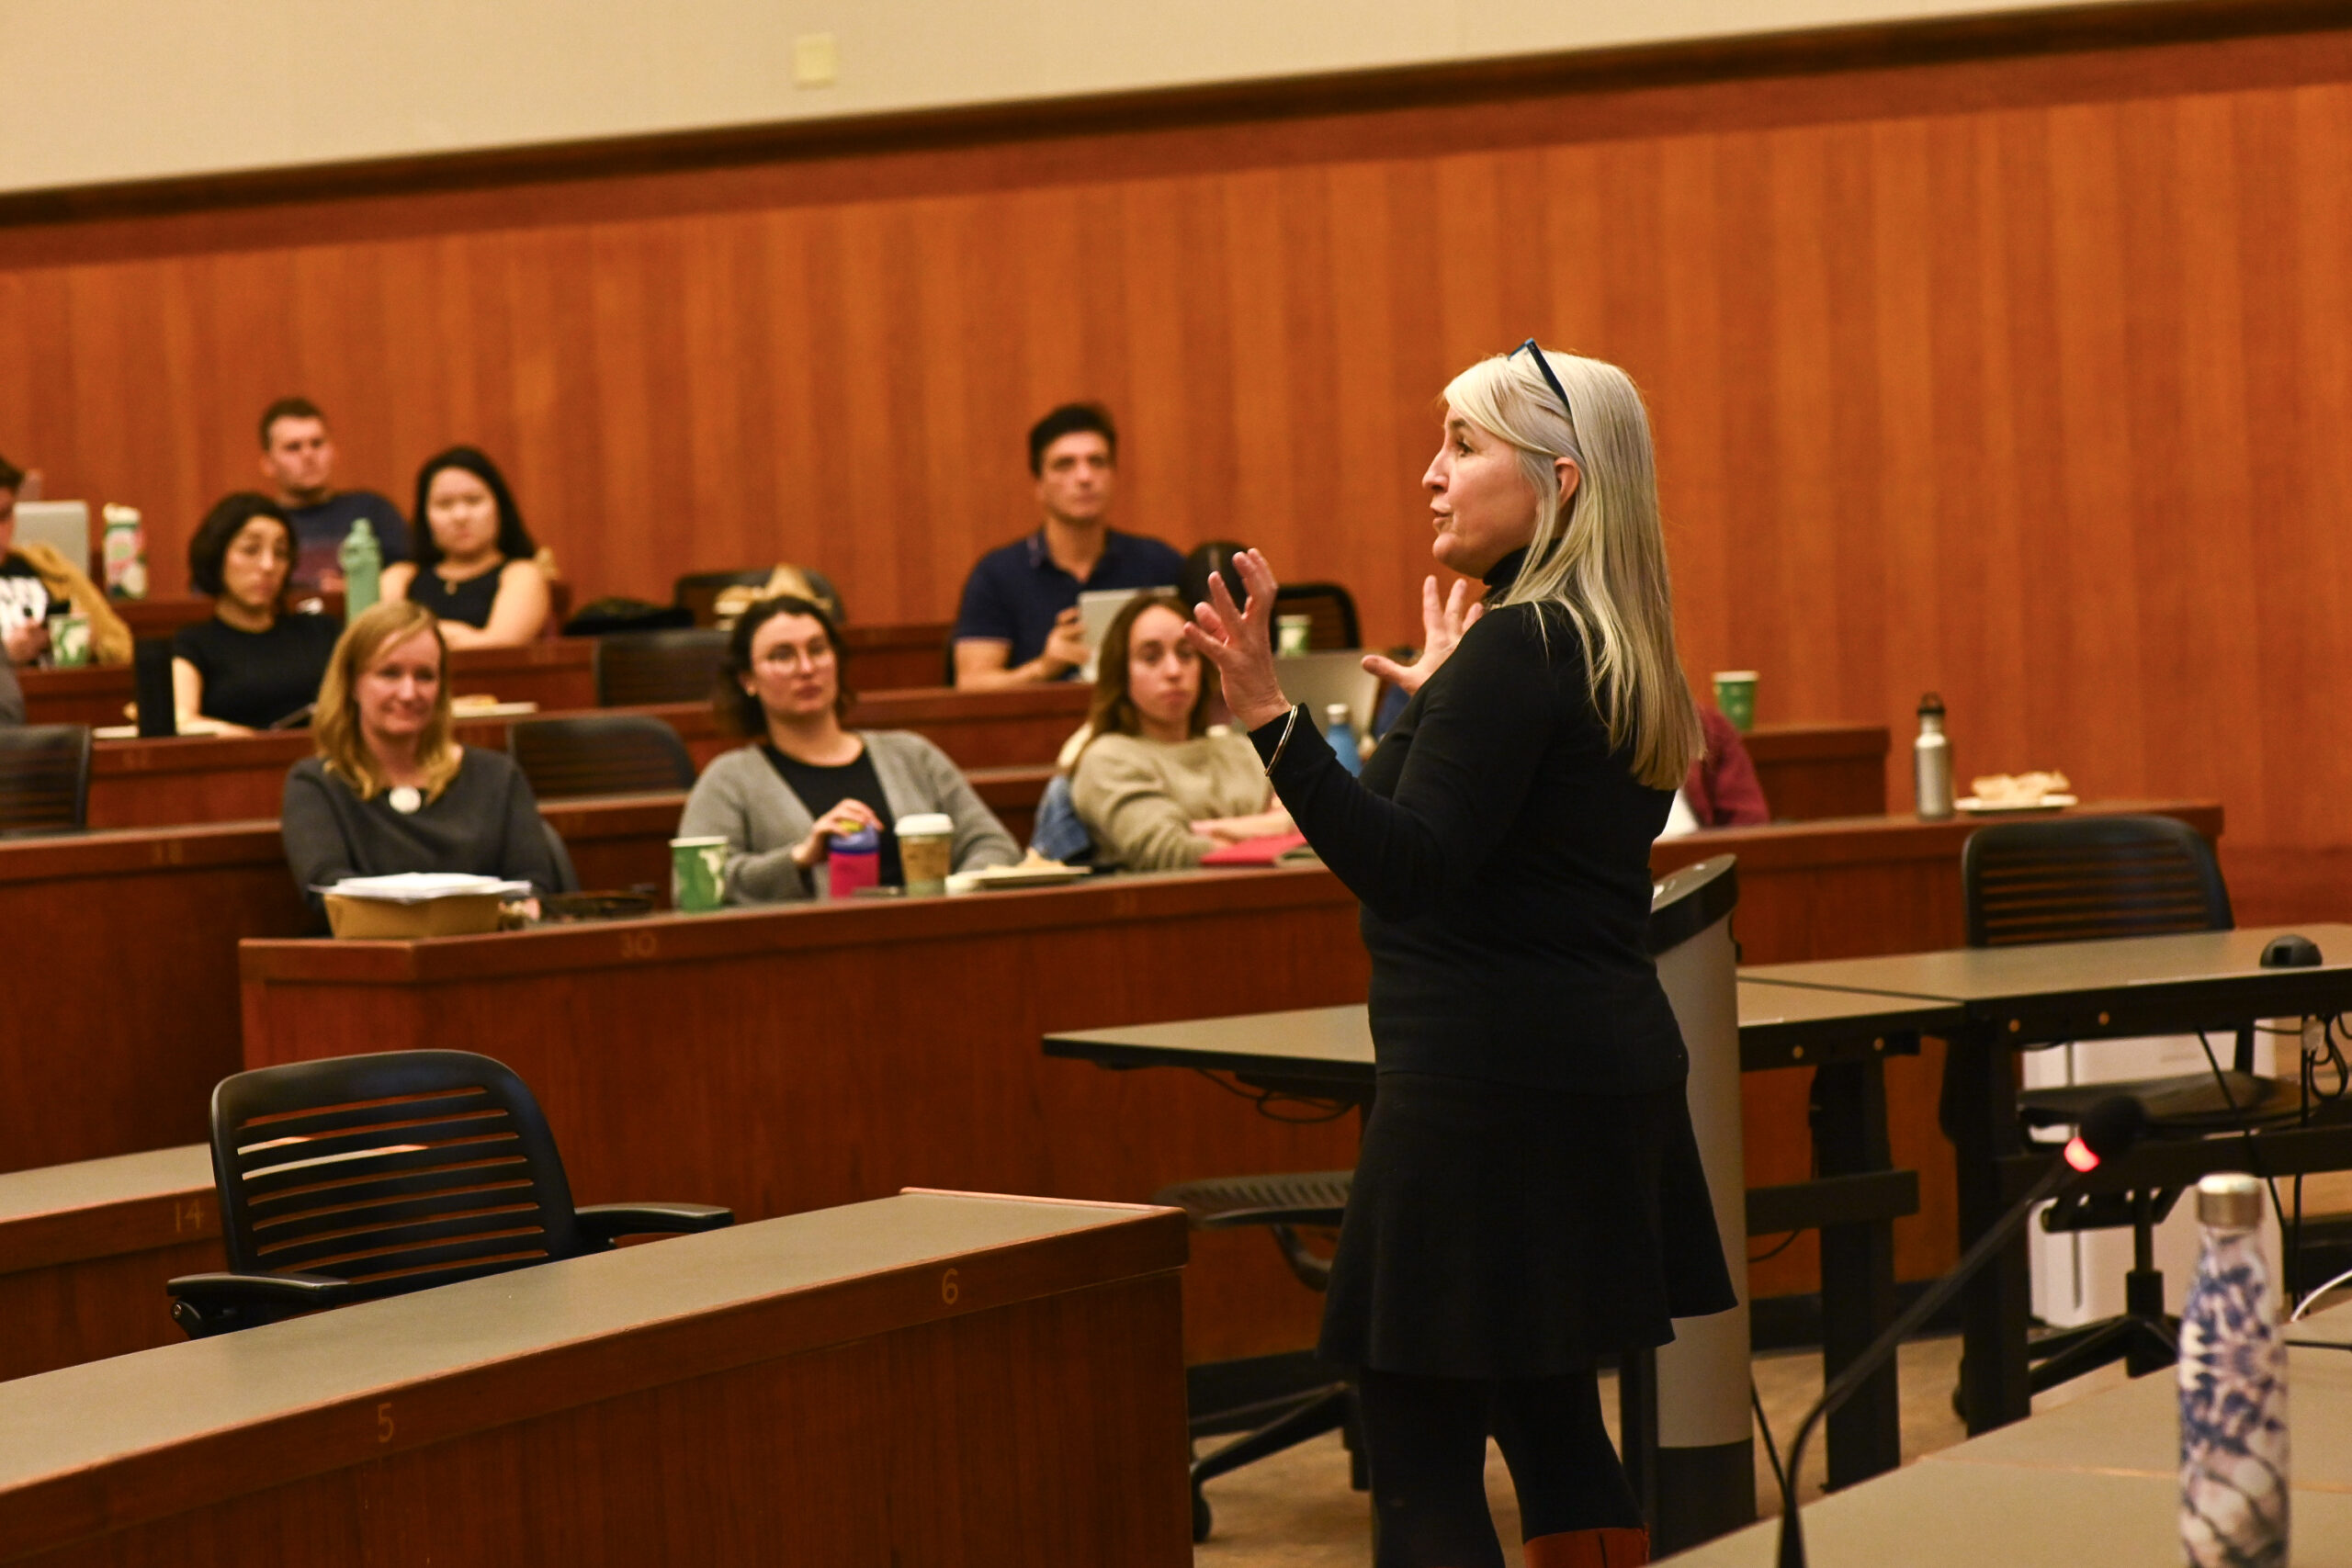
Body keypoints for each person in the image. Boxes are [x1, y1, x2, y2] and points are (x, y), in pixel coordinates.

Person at [1182, 344, 1735, 1568]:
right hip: (1596, 1076)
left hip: (1487, 1093)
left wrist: (1272, 716)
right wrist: (1427, 707)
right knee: (1550, 1414)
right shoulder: (1612, 646)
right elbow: (1473, 843)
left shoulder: (1518, 648)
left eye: (1464, 446)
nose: (1432, 475)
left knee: (1420, 1436)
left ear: (1562, 481)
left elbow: (1407, 866)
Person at [680, 594, 1020, 901]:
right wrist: (799, 858)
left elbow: (994, 845)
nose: (807, 668)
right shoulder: (729, 779)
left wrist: (951, 893)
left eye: (817, 649)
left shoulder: (911, 755)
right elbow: (692, 890)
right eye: (782, 655)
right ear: (747, 680)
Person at [281, 600, 566, 918]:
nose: (408, 692)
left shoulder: (497, 776)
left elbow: (531, 886)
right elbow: (328, 891)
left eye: (425, 676)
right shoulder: (316, 784)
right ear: (352, 684)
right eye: (390, 674)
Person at [951, 403, 1187, 688]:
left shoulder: (1159, 564)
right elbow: (972, 685)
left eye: (1097, 462)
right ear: (1038, 483)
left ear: (1113, 475)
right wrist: (1043, 668)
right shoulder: (996, 575)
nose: (1084, 478)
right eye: (1065, 464)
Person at [1069, 593, 1291, 870]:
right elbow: (1173, 851)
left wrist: (1200, 828)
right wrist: (1270, 829)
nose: (1174, 671)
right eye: (1151, 657)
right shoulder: (1107, 758)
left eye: (1186, 654)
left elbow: (1305, 826)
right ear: (1121, 673)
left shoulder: (1244, 750)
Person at [171, 493, 341, 732]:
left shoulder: (321, 631)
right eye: (251, 550)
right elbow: (182, 719)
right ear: (217, 555)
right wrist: (246, 738)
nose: (268, 565)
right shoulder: (194, 645)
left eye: (280, 553)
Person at [380, 447, 551, 648]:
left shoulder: (521, 574)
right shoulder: (400, 577)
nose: (460, 516)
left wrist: (417, 636)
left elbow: (497, 649)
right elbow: (376, 646)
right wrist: (459, 636)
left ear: (499, 507)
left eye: (473, 501)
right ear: (425, 516)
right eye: (444, 504)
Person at [255, 398, 412, 597]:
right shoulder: (258, 523)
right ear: (268, 463)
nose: (308, 455)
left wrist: (360, 590)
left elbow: (408, 573)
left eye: (317, 444)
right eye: (293, 447)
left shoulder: (371, 510)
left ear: (333, 451)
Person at [0, 452, 131, 668]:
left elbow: (123, 647)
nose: (1, 532)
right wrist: (5, 656)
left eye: (5, 515)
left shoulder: (50, 566)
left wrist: (92, 642)